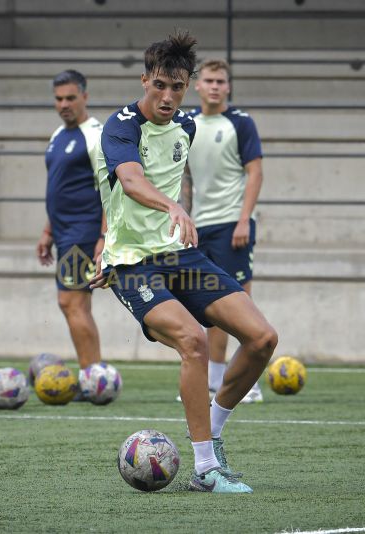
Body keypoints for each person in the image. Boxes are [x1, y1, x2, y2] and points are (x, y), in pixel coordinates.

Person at [91, 33, 278, 493]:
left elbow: (174, 179)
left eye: (178, 86)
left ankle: (212, 430)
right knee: (193, 341)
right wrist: (166, 211)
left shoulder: (187, 127)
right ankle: (205, 469)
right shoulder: (120, 126)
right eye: (160, 85)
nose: (169, 96)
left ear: (188, 85)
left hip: (179, 256)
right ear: (144, 80)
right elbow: (130, 181)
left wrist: (182, 208)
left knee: (261, 338)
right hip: (133, 264)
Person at [180, 58, 265, 404]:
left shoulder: (241, 123)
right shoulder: (187, 124)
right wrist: (185, 216)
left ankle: (250, 382)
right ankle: (214, 379)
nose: (214, 86)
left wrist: (244, 219)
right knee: (210, 305)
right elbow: (185, 176)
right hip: (201, 227)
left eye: (220, 81)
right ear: (197, 86)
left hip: (233, 224)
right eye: (209, 81)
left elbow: (255, 172)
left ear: (228, 87)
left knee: (239, 304)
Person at [36, 70, 105, 385]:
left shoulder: (96, 135)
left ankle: (92, 378)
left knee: (71, 302)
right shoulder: (57, 135)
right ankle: (93, 375)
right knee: (77, 304)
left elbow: (111, 189)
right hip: (63, 233)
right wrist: (48, 231)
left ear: (85, 97)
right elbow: (58, 187)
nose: (64, 104)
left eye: (70, 98)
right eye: (58, 99)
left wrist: (104, 236)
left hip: (84, 231)